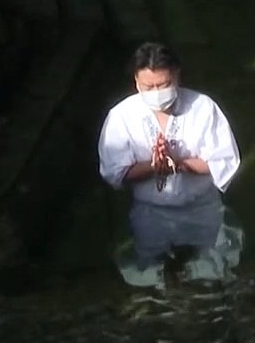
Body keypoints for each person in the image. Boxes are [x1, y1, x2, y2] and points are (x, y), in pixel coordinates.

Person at [98, 42, 242, 286]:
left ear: (176, 75)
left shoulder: (203, 107)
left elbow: (224, 161)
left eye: (163, 84)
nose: (156, 92)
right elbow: (114, 172)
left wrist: (180, 164)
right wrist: (154, 167)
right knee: (152, 270)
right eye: (149, 87)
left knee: (211, 266)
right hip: (151, 211)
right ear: (136, 82)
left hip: (201, 207)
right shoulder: (122, 116)